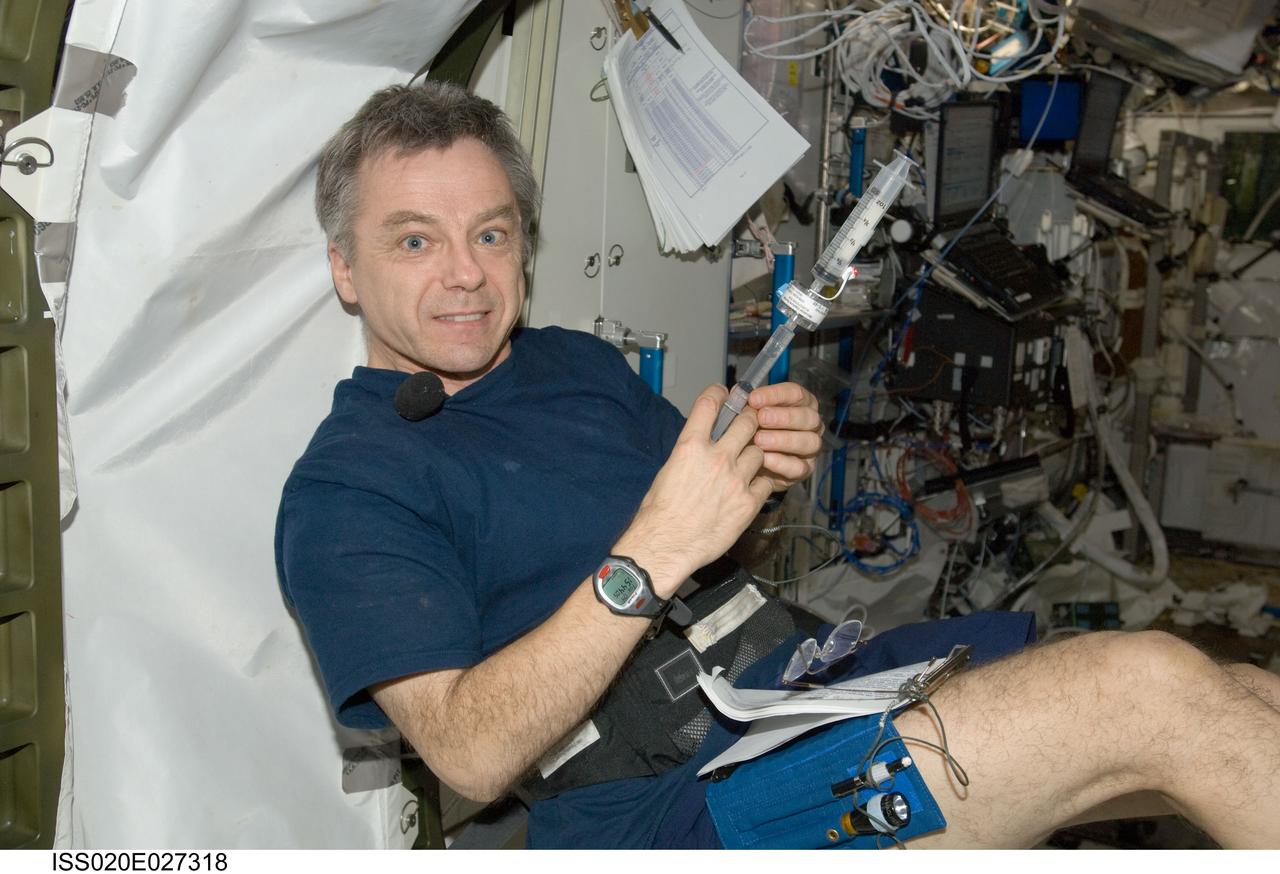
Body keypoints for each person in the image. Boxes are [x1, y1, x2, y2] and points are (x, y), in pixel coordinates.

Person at [276, 81, 1280, 849]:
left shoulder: (566, 366)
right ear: (343, 269)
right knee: (1144, 687)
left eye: (489, 232)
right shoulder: (349, 486)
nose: (464, 271)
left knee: (1232, 693)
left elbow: (710, 544)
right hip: (671, 809)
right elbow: (465, 750)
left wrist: (751, 478)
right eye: (414, 239)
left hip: (799, 693)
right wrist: (652, 551)